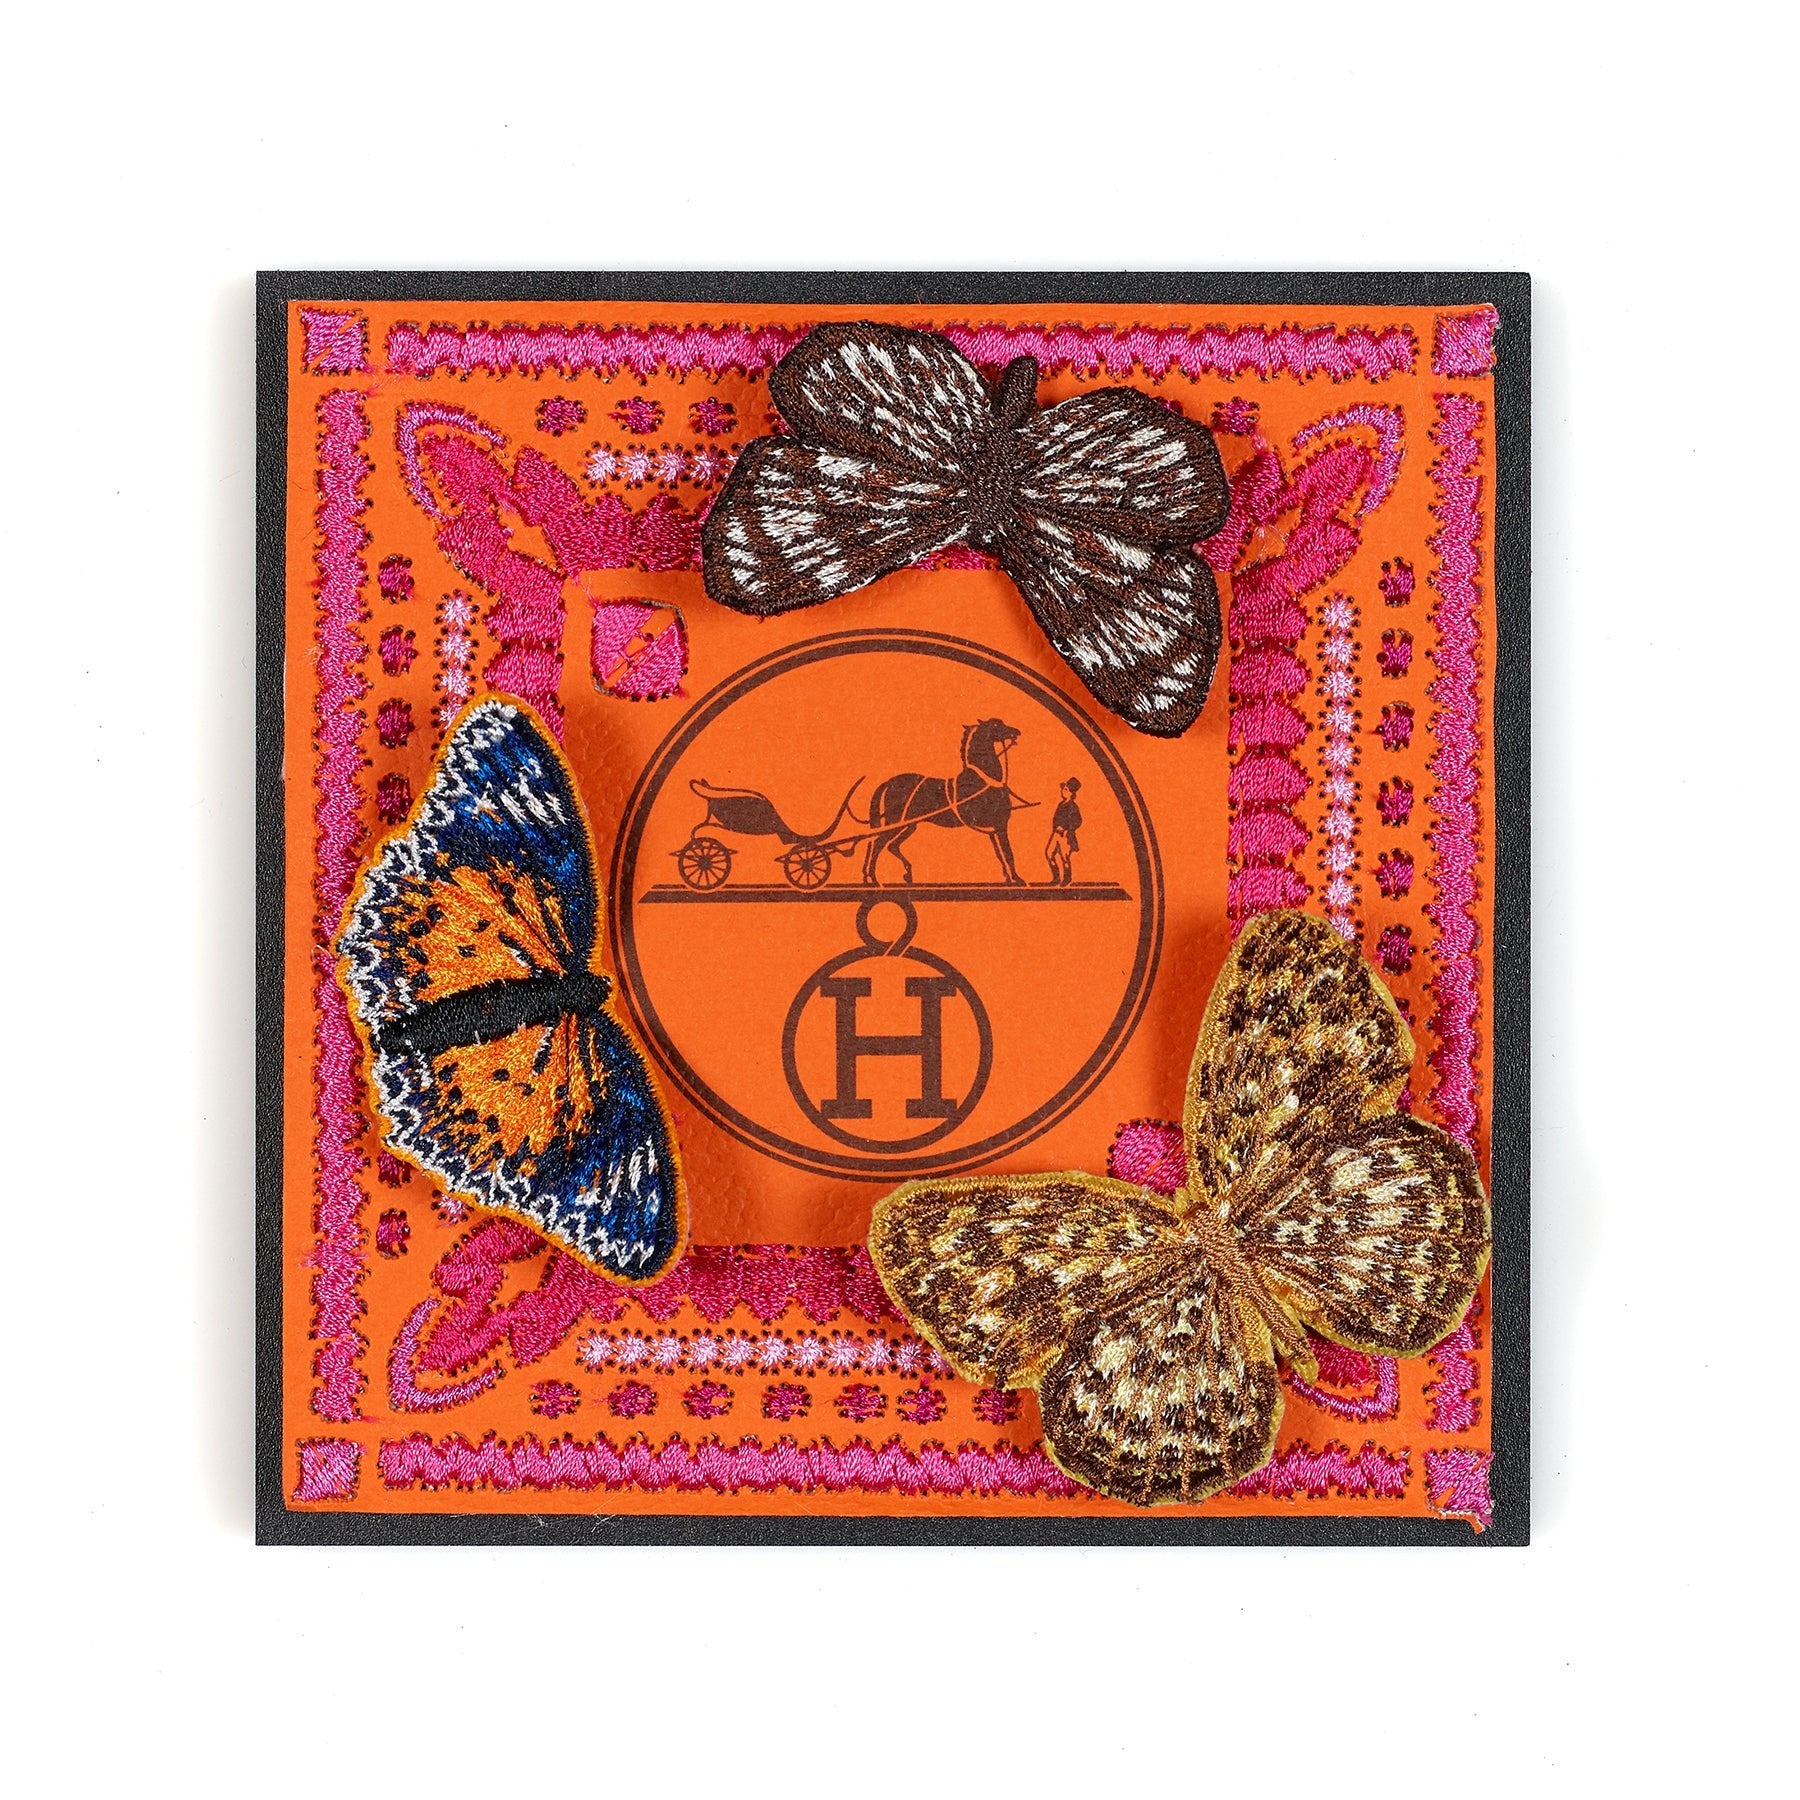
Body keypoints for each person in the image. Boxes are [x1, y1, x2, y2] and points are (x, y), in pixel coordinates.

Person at [1045, 777, 1082, 885]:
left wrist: (1066, 829)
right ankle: (1056, 878)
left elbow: (1078, 821)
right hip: (1056, 834)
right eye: (1063, 789)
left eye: (1066, 789)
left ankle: (1067, 878)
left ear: (1071, 793)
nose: (1063, 791)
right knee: (1049, 853)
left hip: (1065, 835)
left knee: (1064, 857)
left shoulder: (1073, 806)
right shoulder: (1061, 804)